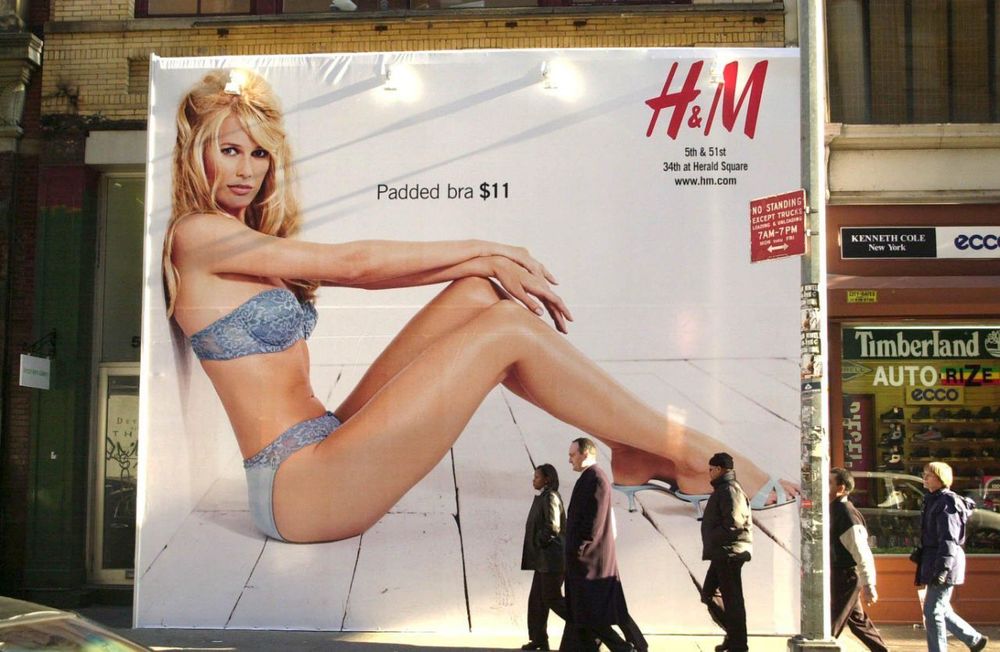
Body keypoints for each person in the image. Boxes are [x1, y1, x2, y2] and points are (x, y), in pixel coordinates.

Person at [161, 67, 799, 544]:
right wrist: (485, 247)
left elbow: (369, 274)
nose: (247, 169)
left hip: (325, 440)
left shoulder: (240, 238)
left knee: (480, 295)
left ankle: (630, 450)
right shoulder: (199, 235)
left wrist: (484, 266)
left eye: (260, 152)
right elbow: (355, 267)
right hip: (299, 489)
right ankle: (698, 455)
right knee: (506, 331)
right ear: (198, 153)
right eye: (230, 149)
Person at [562, 438, 645, 652]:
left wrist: (578, 550)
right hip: (585, 560)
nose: (570, 459)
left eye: (573, 455)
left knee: (590, 613)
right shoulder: (589, 477)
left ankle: (624, 648)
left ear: (586, 454)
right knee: (583, 614)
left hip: (590, 562)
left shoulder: (596, 479)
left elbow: (594, 522)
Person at [915, 462, 989, 652]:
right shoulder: (932, 499)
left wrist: (942, 569)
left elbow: (949, 539)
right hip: (935, 560)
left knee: (932, 611)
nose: (925, 478)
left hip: (945, 562)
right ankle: (974, 640)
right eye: (924, 474)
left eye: (929, 475)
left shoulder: (947, 502)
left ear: (941, 478)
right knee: (941, 608)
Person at [828, 467, 888, 652]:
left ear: (841, 488)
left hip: (845, 577)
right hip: (841, 575)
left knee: (827, 628)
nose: (823, 486)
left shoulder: (847, 515)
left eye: (829, 482)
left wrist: (869, 585)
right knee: (859, 622)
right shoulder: (834, 509)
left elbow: (862, 553)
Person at [699, 452, 751, 652]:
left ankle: (738, 644)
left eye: (710, 469)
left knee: (732, 599)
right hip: (723, 552)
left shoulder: (729, 489)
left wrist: (712, 537)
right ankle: (734, 636)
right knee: (710, 594)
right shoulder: (724, 489)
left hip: (729, 553)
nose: (709, 473)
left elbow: (734, 523)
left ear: (719, 469)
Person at [521, 464, 569, 651]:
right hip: (543, 561)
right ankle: (539, 639)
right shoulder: (544, 496)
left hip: (552, 561)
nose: (533, 480)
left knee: (552, 599)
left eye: (537, 477)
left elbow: (552, 527)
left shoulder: (550, 497)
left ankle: (590, 628)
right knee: (537, 601)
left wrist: (539, 541)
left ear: (547, 479)